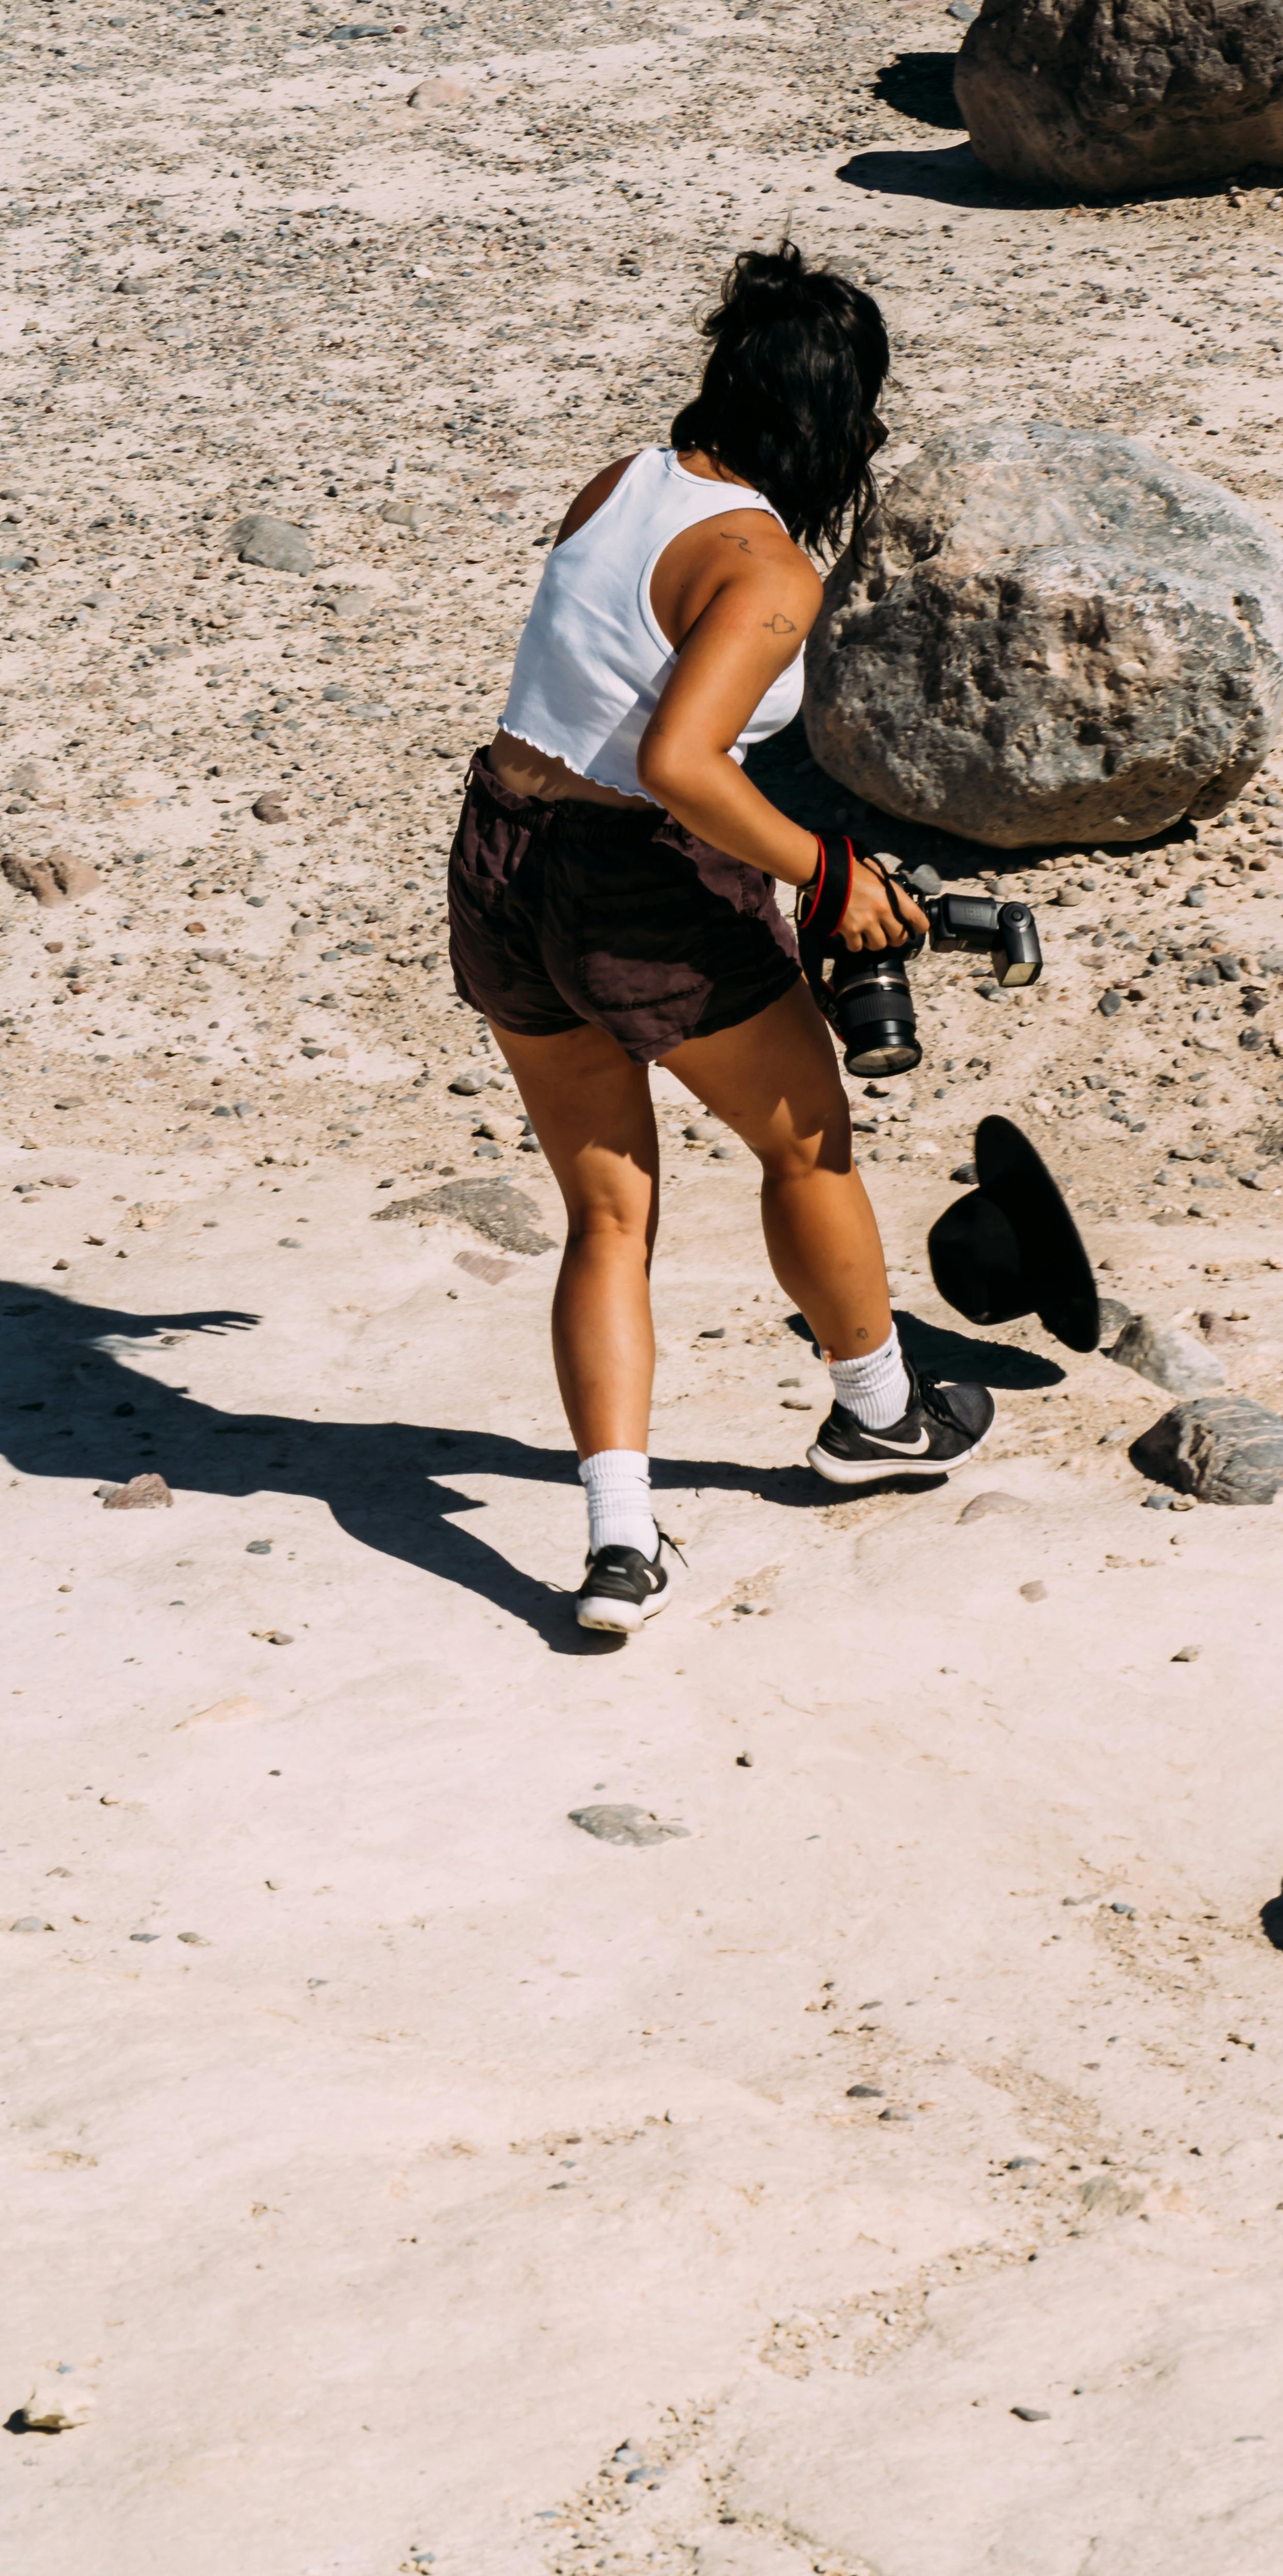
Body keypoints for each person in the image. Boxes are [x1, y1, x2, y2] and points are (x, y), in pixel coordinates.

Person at [446, 244, 994, 1638]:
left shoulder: (622, 482)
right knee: (807, 1139)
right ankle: (878, 1414)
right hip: (634, 877)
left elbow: (594, 688)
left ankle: (619, 1545)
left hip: (502, 851)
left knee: (608, 1209)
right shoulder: (766, 572)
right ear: (832, 422)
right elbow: (684, 763)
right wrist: (829, 874)